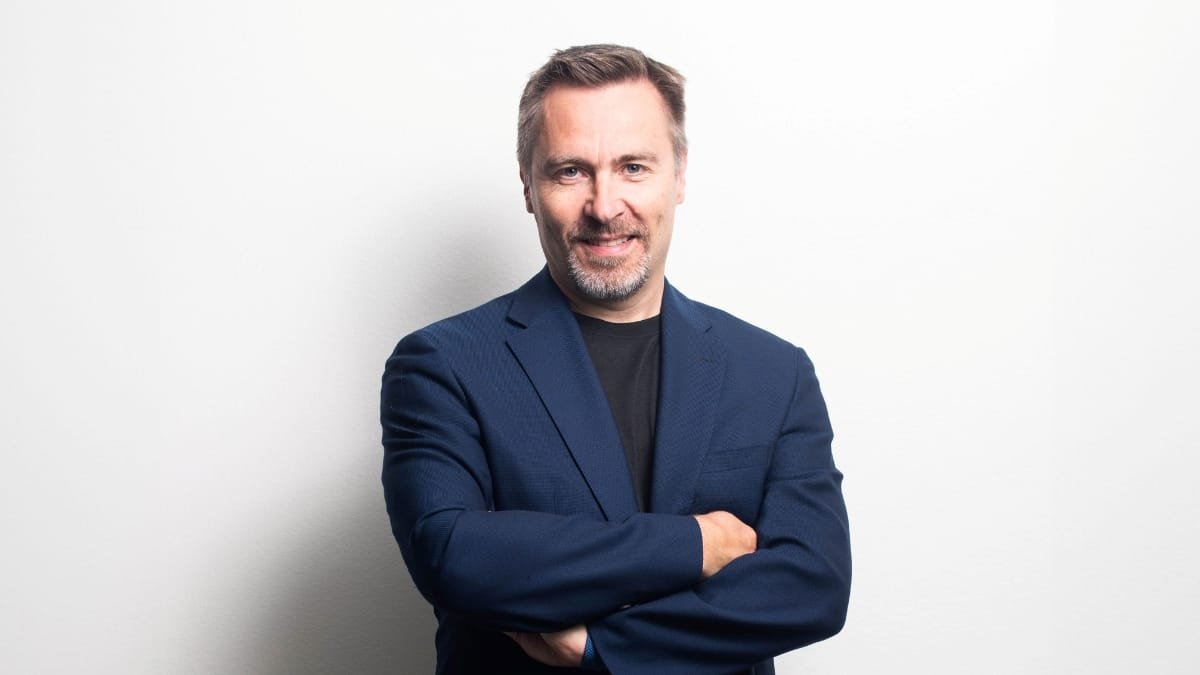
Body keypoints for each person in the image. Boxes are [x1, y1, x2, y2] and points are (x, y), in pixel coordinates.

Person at [382, 44, 850, 674]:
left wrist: (604, 648)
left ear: (678, 177)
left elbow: (813, 586)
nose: (604, 207)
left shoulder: (774, 372)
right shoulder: (443, 365)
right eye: (570, 171)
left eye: (633, 167)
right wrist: (696, 543)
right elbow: (453, 555)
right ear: (528, 187)